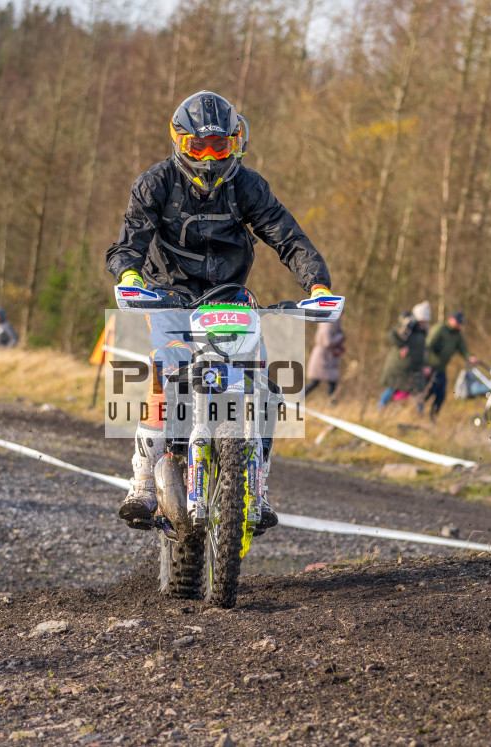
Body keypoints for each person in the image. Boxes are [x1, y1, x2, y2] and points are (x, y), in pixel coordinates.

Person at [105, 90, 334, 533]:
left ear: (235, 144)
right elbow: (128, 241)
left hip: (227, 297)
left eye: (219, 148)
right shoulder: (154, 183)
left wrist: (317, 284)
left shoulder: (247, 185)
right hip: (166, 293)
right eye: (198, 148)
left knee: (264, 382)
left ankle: (258, 487)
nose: (209, 159)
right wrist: (129, 277)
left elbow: (287, 236)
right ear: (179, 143)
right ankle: (141, 483)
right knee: (166, 373)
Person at [420, 310, 478, 420]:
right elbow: (427, 346)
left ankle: (433, 417)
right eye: (457, 322)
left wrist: (470, 356)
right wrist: (425, 365)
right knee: (427, 392)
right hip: (430, 367)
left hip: (441, 368)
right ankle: (417, 413)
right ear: (451, 319)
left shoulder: (457, 334)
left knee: (441, 394)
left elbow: (463, 349)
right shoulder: (440, 329)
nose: (459, 325)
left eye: (460, 324)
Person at [378, 301, 430, 408]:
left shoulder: (423, 330)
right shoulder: (408, 325)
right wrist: (402, 346)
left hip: (414, 368)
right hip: (400, 367)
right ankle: (380, 410)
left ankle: (418, 416)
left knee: (418, 392)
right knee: (392, 388)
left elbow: (423, 348)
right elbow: (391, 335)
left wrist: (425, 362)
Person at [305, 318, 345, 400]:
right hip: (323, 358)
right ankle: (298, 399)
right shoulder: (328, 324)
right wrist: (340, 337)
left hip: (329, 358)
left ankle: (332, 405)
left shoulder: (334, 323)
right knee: (315, 382)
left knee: (331, 383)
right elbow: (327, 342)